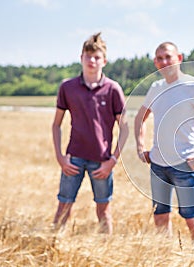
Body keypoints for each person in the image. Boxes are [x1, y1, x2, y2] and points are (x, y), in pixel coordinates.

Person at [134, 42, 194, 248]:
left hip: (184, 166)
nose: (164, 62)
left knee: (192, 220)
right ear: (155, 62)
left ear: (179, 58)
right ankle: (165, 258)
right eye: (159, 58)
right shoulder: (155, 88)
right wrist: (140, 148)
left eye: (168, 56)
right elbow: (140, 118)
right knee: (160, 218)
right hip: (158, 166)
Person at [52, 32, 128, 235]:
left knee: (104, 211)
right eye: (88, 56)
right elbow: (56, 125)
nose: (92, 61)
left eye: (96, 57)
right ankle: (52, 247)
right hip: (73, 159)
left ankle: (107, 251)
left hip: (101, 162)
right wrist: (60, 157)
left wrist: (112, 160)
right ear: (81, 58)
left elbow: (125, 128)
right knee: (63, 206)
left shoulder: (113, 89)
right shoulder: (68, 87)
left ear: (104, 60)